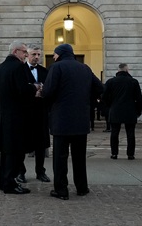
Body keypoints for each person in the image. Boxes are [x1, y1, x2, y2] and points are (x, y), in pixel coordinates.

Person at [39, 43, 104, 200]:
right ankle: (82, 187)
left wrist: (43, 94)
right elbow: (100, 88)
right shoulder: (85, 68)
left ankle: (61, 190)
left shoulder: (57, 67)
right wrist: (87, 101)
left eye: (54, 54)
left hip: (61, 119)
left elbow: (48, 92)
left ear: (59, 54)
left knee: (60, 157)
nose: (53, 57)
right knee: (79, 157)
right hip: (81, 120)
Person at [0, 40, 37, 194]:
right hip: (18, 117)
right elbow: (22, 90)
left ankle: (4, 182)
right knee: (16, 152)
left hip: (5, 116)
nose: (26, 55)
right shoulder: (18, 67)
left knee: (6, 153)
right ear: (15, 52)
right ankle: (10, 184)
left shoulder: (1, 68)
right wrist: (34, 88)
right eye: (24, 52)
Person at [22, 45, 51, 182]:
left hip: (41, 112)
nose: (37, 57)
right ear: (27, 55)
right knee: (22, 144)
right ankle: (20, 172)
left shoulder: (44, 71)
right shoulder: (20, 70)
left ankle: (40, 171)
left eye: (39, 54)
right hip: (25, 112)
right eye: (34, 54)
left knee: (41, 144)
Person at [102, 63, 142, 159]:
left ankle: (114, 153)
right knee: (130, 133)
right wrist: (138, 111)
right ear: (127, 70)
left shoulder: (111, 82)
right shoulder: (133, 82)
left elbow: (104, 96)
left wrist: (110, 106)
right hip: (130, 110)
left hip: (115, 109)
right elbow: (139, 98)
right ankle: (130, 154)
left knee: (114, 132)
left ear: (118, 71)